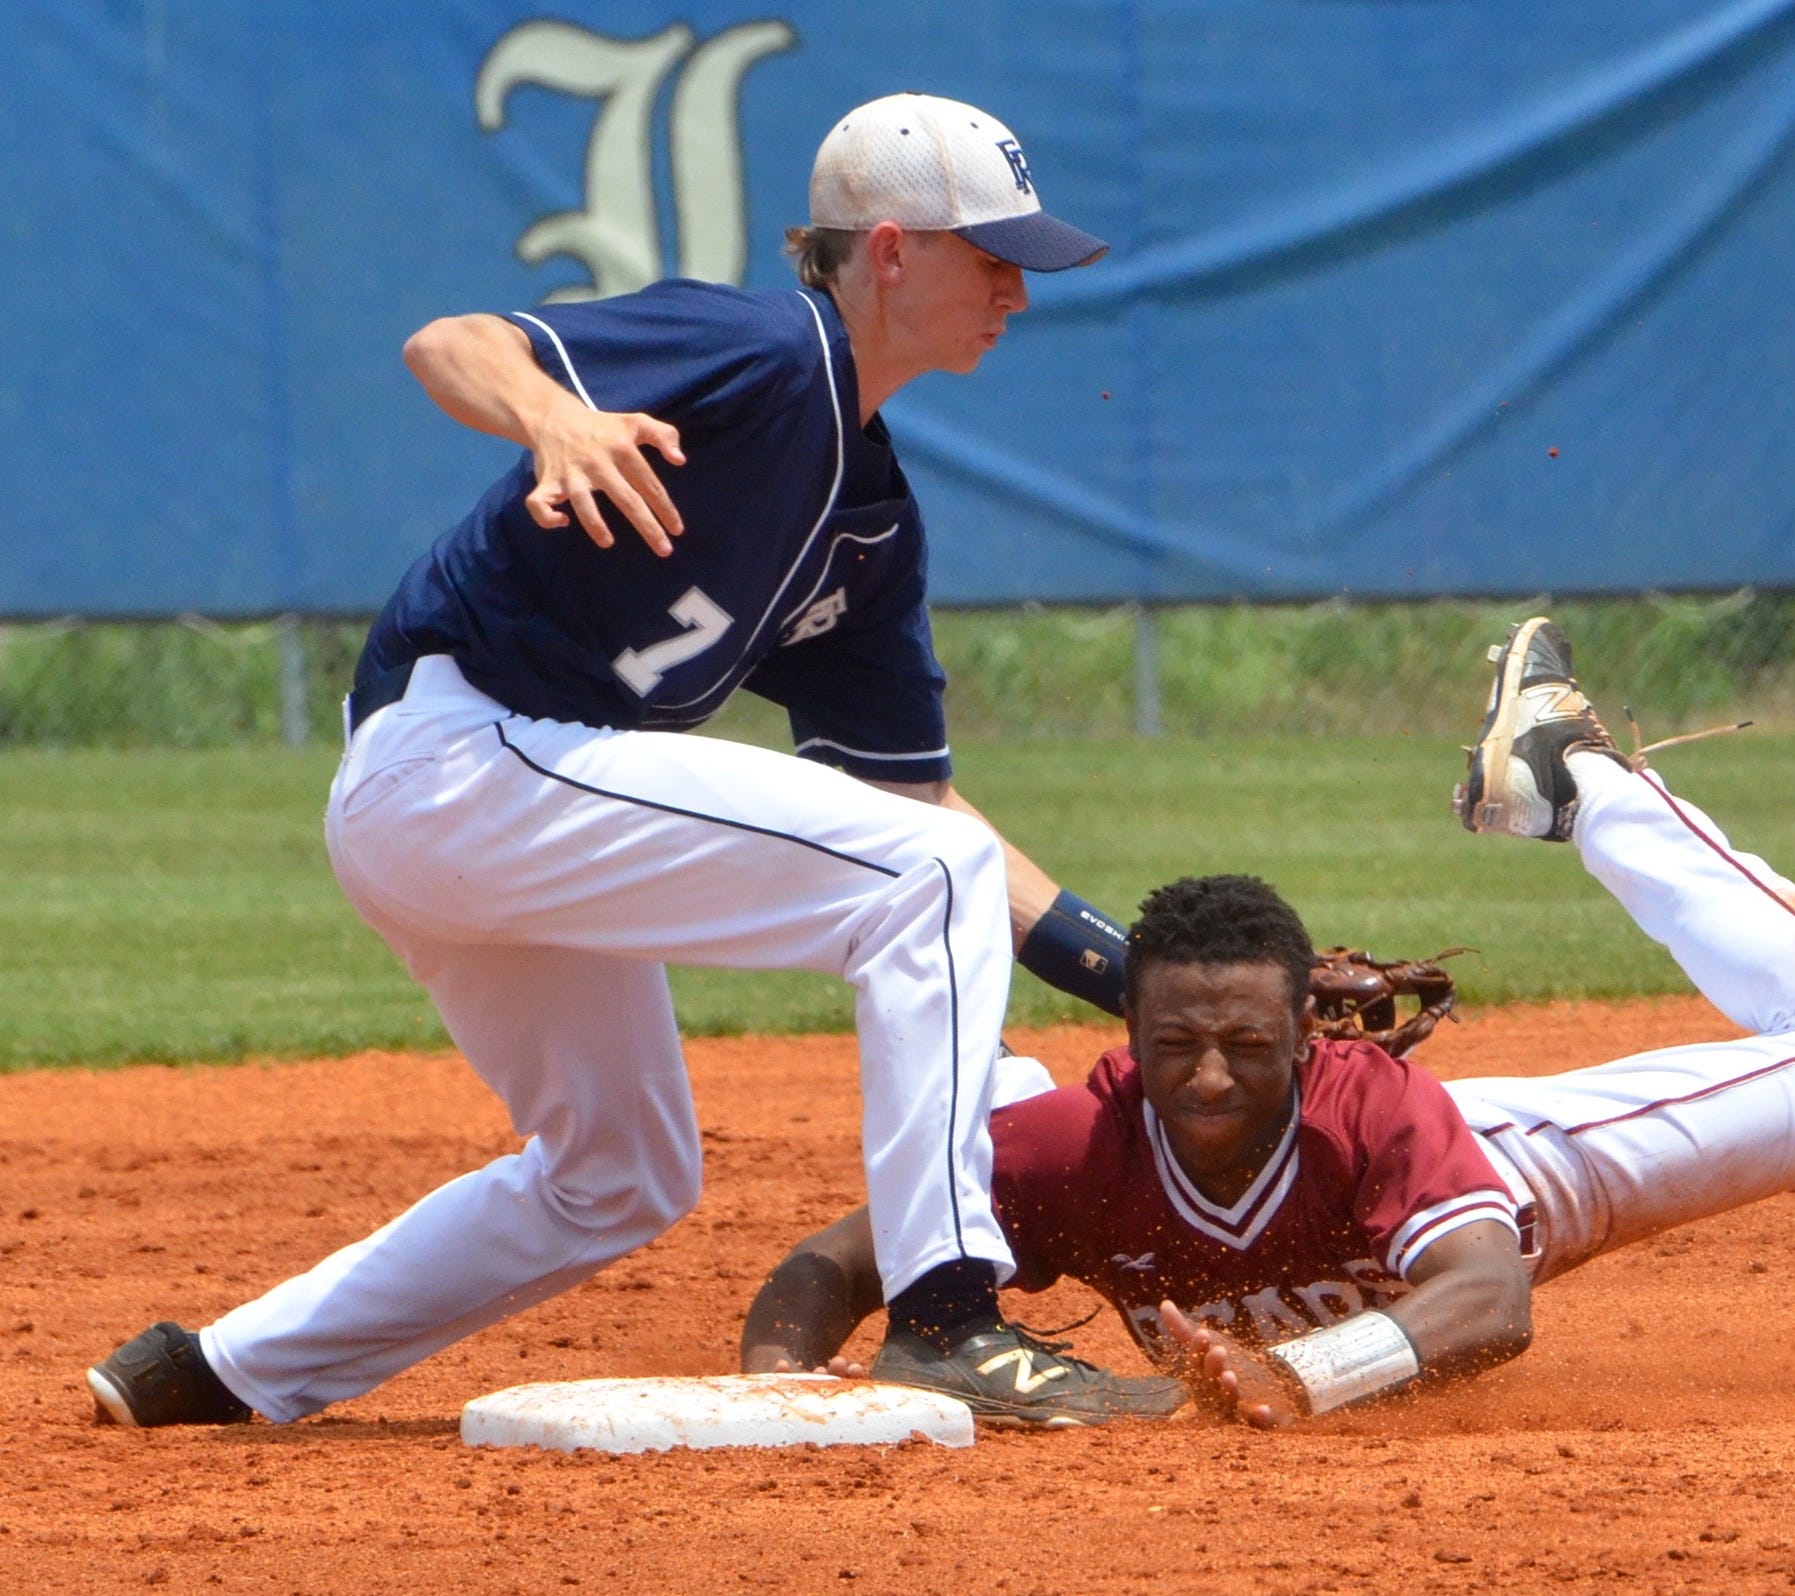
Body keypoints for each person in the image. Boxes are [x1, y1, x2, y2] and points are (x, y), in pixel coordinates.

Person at [85, 92, 1170, 1430]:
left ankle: (219, 1372)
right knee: (921, 878)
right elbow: (450, 342)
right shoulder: (762, 348)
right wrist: (550, 415)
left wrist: (1136, 977)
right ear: (886, 251)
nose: (1017, 284)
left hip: (510, 809)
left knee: (618, 1174)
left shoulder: (867, 525)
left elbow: (913, 799)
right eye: (989, 252)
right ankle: (946, 1318)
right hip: (455, 757)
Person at [742, 618, 1795, 1427]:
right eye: (1175, 1048)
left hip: (1510, 1173)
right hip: (1269, 1187)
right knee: (979, 1120)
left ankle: (1573, 781)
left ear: (1305, 1046)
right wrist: (777, 1390)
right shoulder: (1075, 1145)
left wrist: (1299, 1378)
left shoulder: (1369, 1109)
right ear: (1130, 1047)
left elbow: (1488, 1298)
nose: (1207, 1079)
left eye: (1247, 1048)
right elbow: (834, 1262)